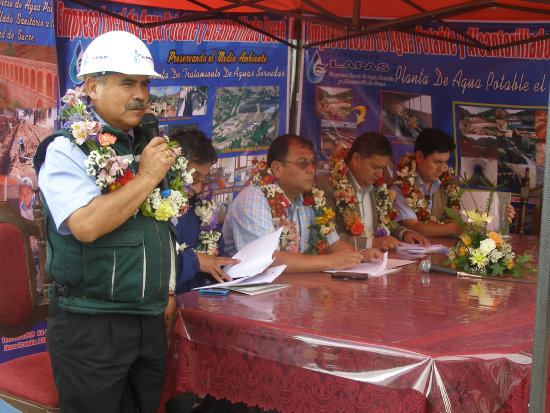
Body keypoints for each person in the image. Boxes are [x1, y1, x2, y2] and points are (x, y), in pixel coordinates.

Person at [33, 31, 176, 413]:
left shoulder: (142, 144)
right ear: (91, 87)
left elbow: (162, 226)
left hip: (148, 320)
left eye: (145, 83)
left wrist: (170, 291)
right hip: (92, 322)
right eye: (127, 82)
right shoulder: (67, 148)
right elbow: (86, 225)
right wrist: (145, 178)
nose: (141, 94)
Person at [222, 134, 382, 272]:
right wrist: (331, 261)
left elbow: (334, 243)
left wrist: (360, 255)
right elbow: (265, 261)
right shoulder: (254, 200)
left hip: (295, 291)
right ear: (277, 168)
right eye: (303, 163)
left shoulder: (311, 198)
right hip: (250, 297)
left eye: (313, 163)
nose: (311, 169)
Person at [392, 128, 514, 237]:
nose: (442, 168)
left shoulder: (447, 184)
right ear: (419, 157)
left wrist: (500, 217)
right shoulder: (401, 186)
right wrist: (456, 228)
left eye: (445, 162)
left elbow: (462, 220)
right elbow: (414, 227)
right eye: (437, 162)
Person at [317, 132, 429, 250]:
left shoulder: (378, 186)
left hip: (379, 260)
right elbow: (330, 237)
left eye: (382, 168)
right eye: (375, 167)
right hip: (347, 261)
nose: (379, 174)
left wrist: (405, 233)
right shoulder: (329, 186)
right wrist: (372, 243)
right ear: (356, 159)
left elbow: (386, 223)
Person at [171, 128, 239, 293]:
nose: (197, 188)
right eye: (193, 179)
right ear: (173, 167)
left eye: (203, 179)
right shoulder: (153, 204)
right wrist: (196, 261)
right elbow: (154, 263)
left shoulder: (200, 203)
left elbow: (215, 252)